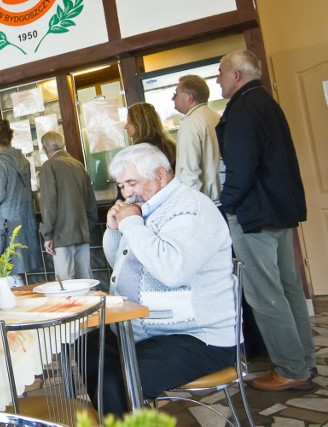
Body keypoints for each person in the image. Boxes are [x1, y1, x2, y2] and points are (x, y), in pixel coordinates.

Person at [86, 143, 236, 417]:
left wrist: (132, 223)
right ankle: (122, 414)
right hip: (149, 330)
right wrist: (115, 229)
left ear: (160, 176)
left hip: (198, 336)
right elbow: (120, 264)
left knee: (116, 382)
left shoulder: (190, 208)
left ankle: (122, 407)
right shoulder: (150, 206)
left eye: (132, 183)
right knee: (87, 345)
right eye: (121, 186)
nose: (126, 193)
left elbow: (171, 270)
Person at [216, 49, 316, 391]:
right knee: (289, 290)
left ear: (237, 76)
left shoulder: (242, 109)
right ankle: (303, 361)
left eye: (221, 73)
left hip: (254, 214)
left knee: (266, 295)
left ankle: (290, 368)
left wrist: (224, 207)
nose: (218, 79)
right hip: (281, 211)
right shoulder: (268, 103)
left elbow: (241, 170)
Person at [0, 119, 41, 281]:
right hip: (26, 218)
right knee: (20, 270)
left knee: (10, 274)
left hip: (8, 223)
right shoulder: (21, 159)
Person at [38, 131, 98, 280]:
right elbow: (91, 202)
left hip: (61, 236)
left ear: (45, 148)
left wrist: (47, 235)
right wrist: (86, 227)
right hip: (82, 233)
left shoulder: (48, 167)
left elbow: (48, 204)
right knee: (86, 282)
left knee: (66, 284)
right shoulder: (78, 165)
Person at [173, 75, 222, 204]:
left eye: (176, 94)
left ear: (189, 97)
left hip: (205, 200)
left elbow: (190, 170)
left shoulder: (190, 123)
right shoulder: (215, 117)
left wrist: (189, 205)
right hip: (221, 196)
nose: (173, 98)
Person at [124, 102, 177, 170]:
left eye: (129, 122)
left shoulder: (142, 151)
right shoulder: (168, 145)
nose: (125, 126)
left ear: (140, 124)